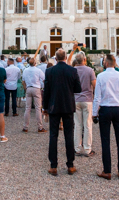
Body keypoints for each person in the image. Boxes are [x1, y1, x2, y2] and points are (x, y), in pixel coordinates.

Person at [43, 48, 82, 176]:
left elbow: (46, 91)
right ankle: (70, 165)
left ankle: (53, 166)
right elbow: (78, 89)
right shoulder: (72, 70)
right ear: (65, 57)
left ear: (56, 58)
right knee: (68, 135)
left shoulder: (49, 71)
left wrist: (45, 107)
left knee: (53, 136)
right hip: (67, 106)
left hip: (54, 105)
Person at [93, 54, 119, 180]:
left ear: (106, 63)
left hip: (105, 109)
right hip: (117, 108)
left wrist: (94, 113)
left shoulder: (101, 76)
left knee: (105, 140)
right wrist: (118, 94)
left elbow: (97, 97)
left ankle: (107, 171)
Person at [71, 52, 96, 156]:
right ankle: (87, 149)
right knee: (87, 124)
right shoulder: (89, 70)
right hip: (87, 99)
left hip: (76, 99)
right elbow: (95, 84)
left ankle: (77, 148)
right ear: (84, 60)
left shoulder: (73, 71)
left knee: (77, 124)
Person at [22, 57, 46, 133]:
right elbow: (44, 79)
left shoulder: (25, 70)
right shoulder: (38, 70)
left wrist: (26, 89)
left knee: (27, 108)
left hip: (29, 88)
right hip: (36, 88)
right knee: (38, 108)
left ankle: (25, 126)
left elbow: (23, 81)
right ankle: (40, 127)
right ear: (35, 63)